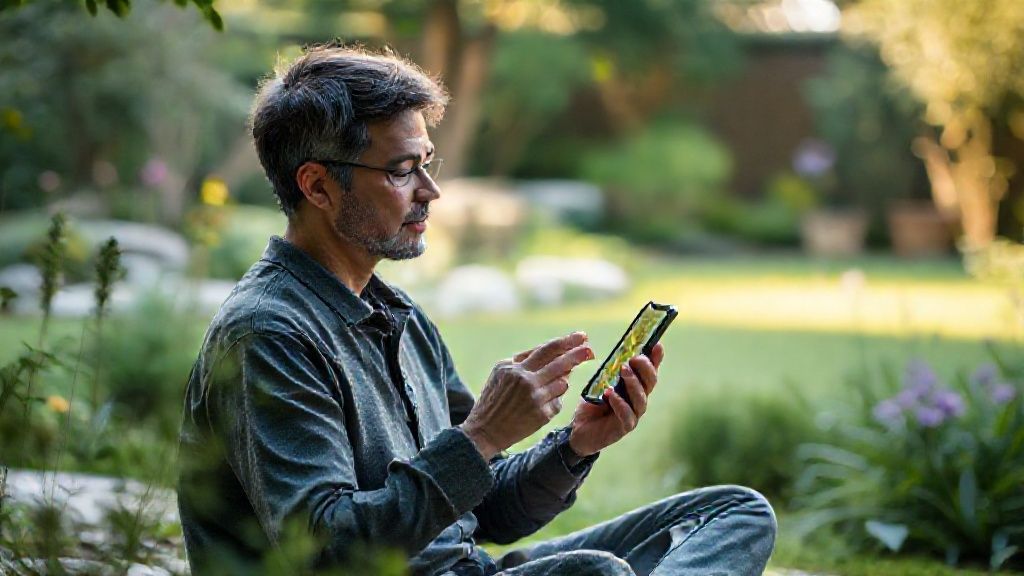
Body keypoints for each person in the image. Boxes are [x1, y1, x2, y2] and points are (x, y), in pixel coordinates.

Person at [177, 44, 776, 576]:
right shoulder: (267, 333)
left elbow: (487, 510)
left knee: (734, 513)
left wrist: (574, 446)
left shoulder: (401, 318)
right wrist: (481, 434)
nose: (430, 191)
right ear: (317, 186)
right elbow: (326, 552)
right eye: (402, 171)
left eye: (427, 162)